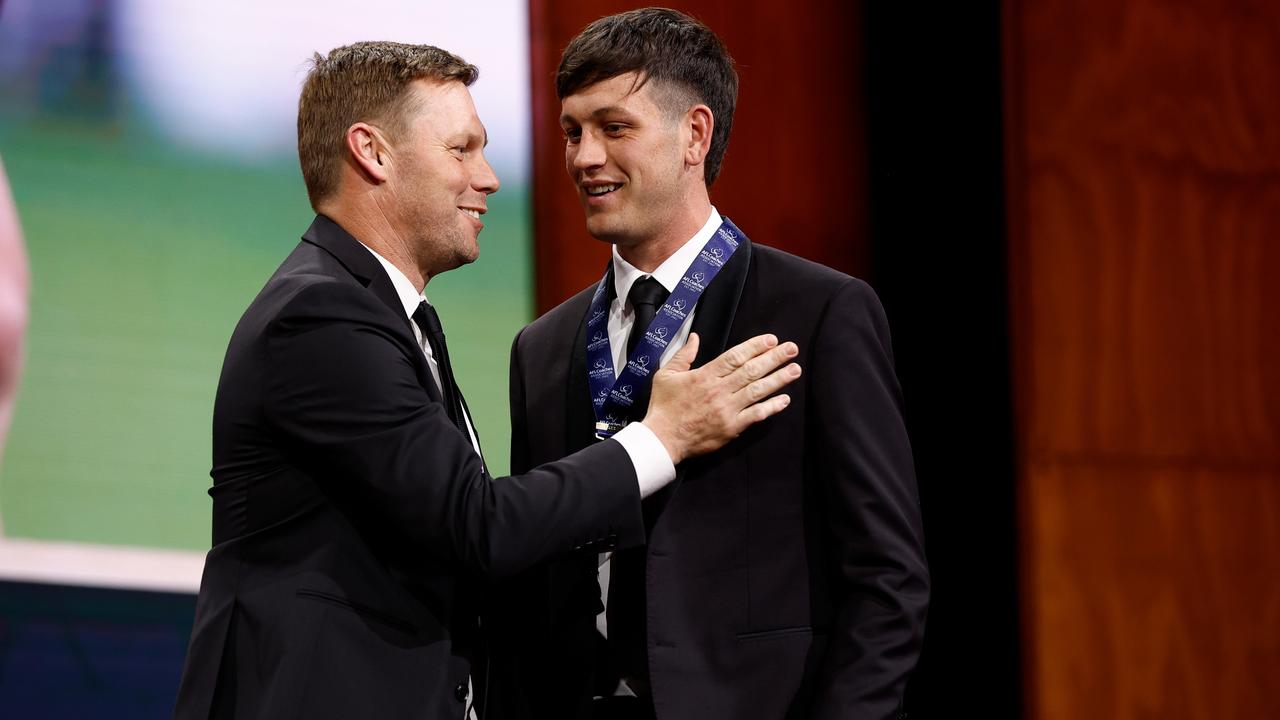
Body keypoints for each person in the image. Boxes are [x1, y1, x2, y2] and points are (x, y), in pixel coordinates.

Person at [171, 41, 800, 720]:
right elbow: (479, 526)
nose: (489, 176)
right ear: (372, 153)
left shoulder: (380, 312)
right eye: (462, 149)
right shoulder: (322, 316)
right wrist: (663, 437)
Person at [490, 9, 929, 720]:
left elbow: (887, 581)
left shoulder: (819, 314)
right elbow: (534, 582)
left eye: (613, 127)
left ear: (695, 134)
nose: (583, 157)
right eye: (572, 131)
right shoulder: (541, 347)